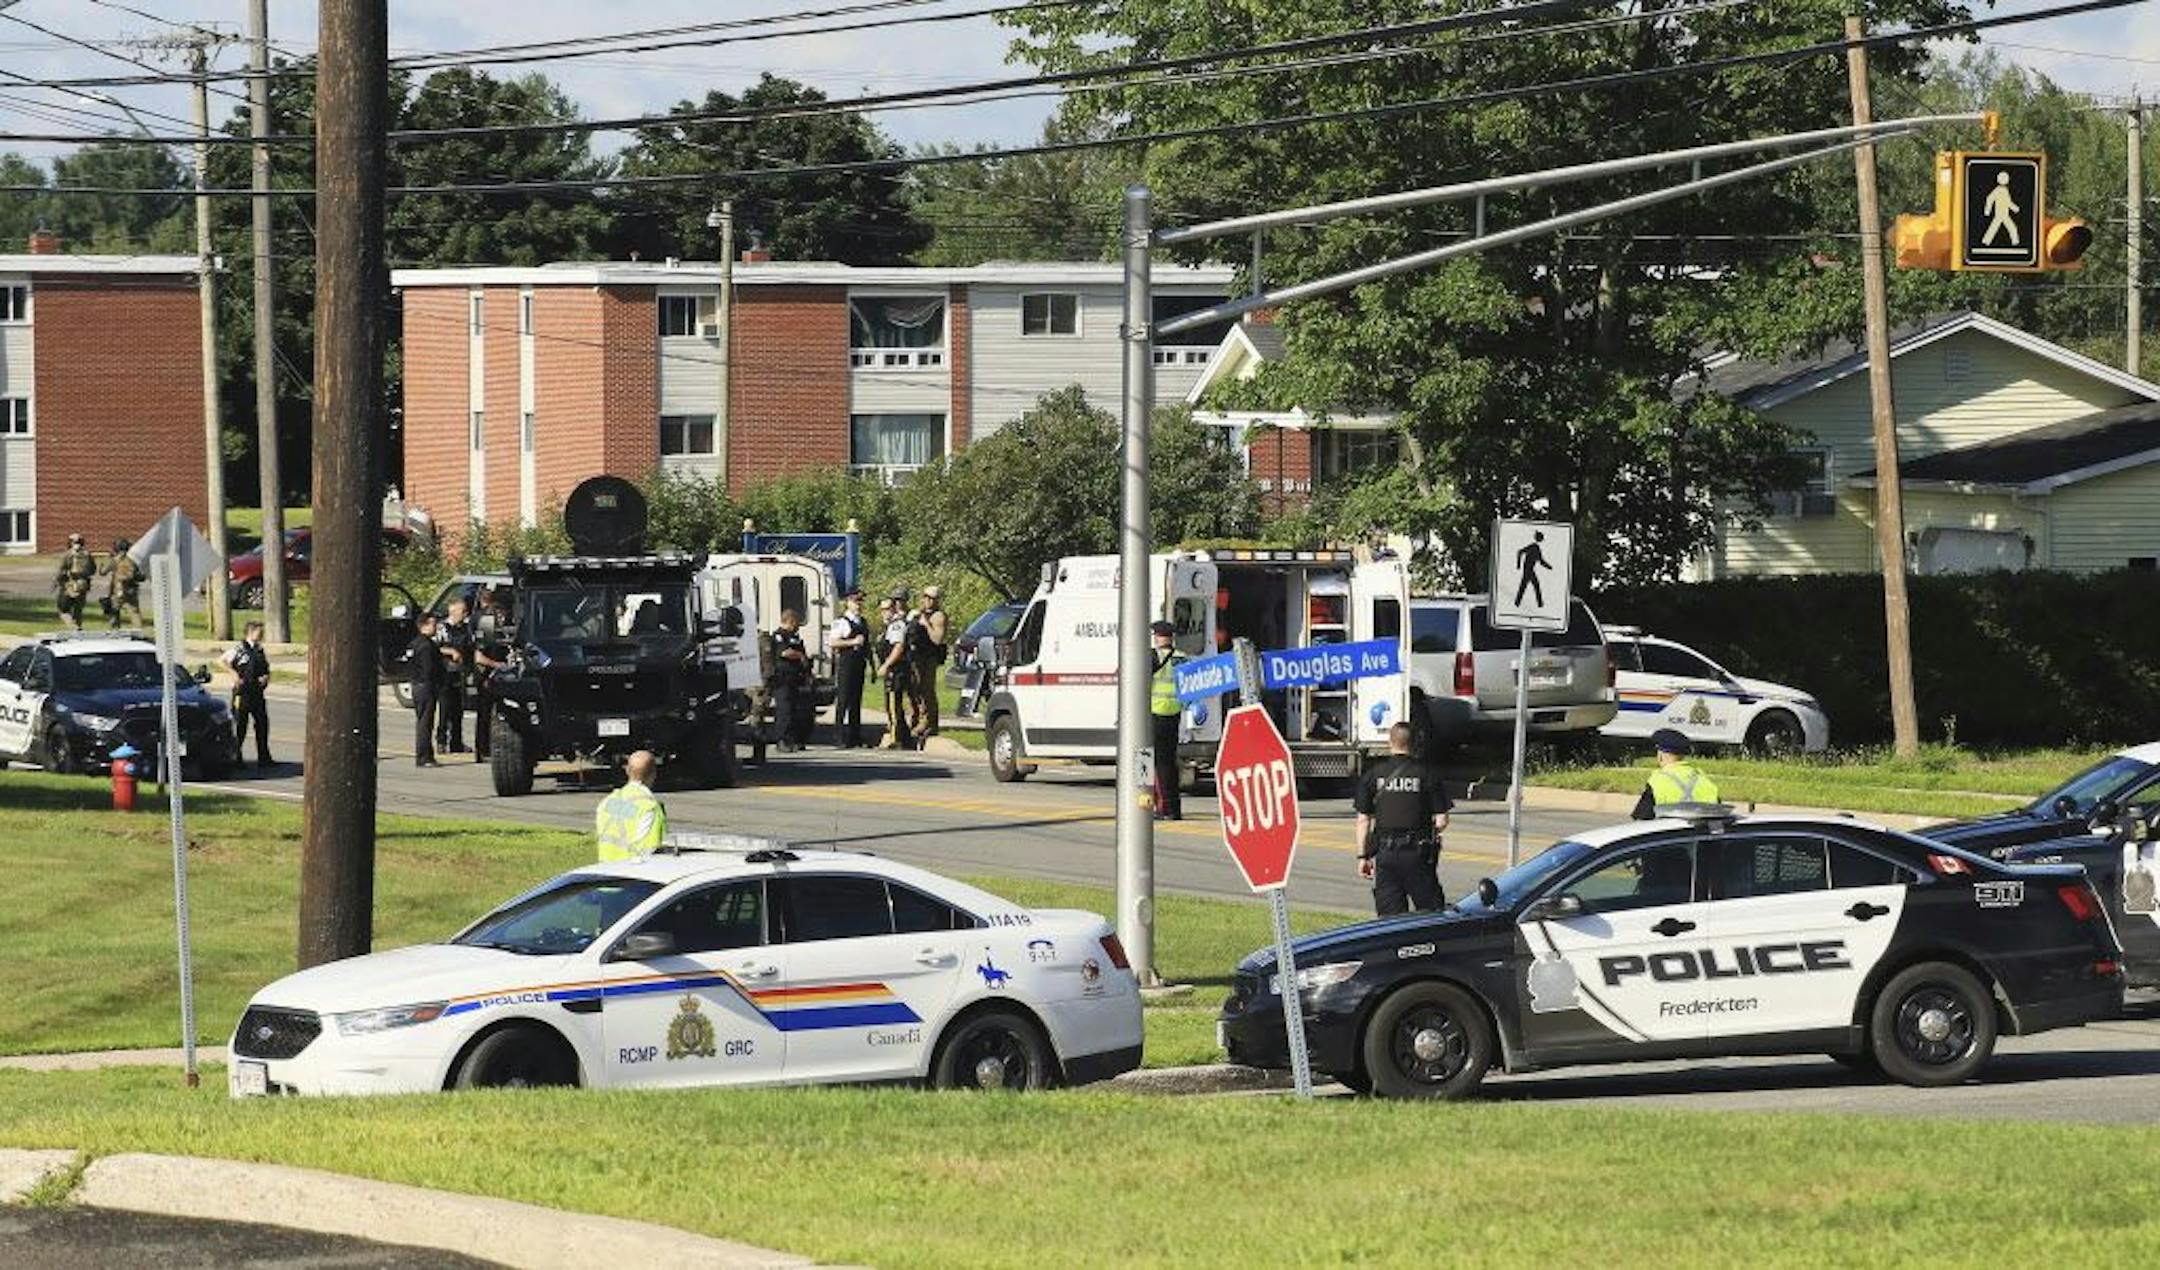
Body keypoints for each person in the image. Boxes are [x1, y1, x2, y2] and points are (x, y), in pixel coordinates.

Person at [1355, 721, 1453, 916]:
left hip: (1385, 854)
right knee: (1431, 916)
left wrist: (1363, 856)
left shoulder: (1373, 775)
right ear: (1414, 744)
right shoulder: (1427, 774)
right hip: (1418, 854)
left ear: (1390, 742)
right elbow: (1442, 820)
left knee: (1390, 921)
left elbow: (1363, 820)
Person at [1631, 728, 1721, 820]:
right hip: (1699, 834)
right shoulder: (1704, 780)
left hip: (1670, 833)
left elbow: (1641, 821)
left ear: (1660, 756)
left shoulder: (1657, 782)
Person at [595, 750, 668, 862]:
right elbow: (650, 850)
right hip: (632, 873)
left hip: (606, 870)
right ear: (654, 774)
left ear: (627, 771)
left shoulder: (607, 802)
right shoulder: (649, 808)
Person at [1149, 620, 1187, 821]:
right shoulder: (1182, 658)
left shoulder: (1152, 656)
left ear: (1157, 636)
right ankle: (1173, 807)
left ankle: (1162, 806)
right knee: (1169, 763)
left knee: (1156, 763)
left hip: (1154, 714)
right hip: (1175, 714)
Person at [223, 620, 275, 767]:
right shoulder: (239, 649)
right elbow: (221, 661)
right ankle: (235, 758)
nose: (262, 634)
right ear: (251, 632)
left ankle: (264, 758)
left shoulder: (259, 650)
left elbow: (265, 669)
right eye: (260, 632)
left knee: (262, 724)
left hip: (257, 693)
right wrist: (233, 673)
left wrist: (266, 677)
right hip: (242, 693)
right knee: (240, 725)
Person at [471, 587, 511, 762]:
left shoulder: (502, 628)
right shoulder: (486, 626)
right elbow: (479, 657)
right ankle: (483, 750)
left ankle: (494, 747)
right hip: (486, 676)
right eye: (499, 615)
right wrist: (498, 665)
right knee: (485, 714)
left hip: (499, 674)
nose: (503, 618)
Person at [907, 584, 949, 745]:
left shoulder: (938, 616)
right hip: (916, 656)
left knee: (926, 689)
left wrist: (927, 624)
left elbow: (937, 639)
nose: (928, 601)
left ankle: (930, 721)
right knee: (915, 688)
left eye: (932, 598)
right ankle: (917, 717)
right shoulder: (918, 614)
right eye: (926, 597)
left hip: (928, 658)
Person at [828, 589, 870, 748]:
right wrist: (852, 642)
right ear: (848, 602)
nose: (858, 604)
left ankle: (855, 735)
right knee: (843, 700)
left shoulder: (862, 621)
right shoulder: (842, 622)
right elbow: (833, 642)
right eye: (855, 601)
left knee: (856, 701)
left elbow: (867, 645)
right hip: (847, 663)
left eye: (860, 601)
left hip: (859, 663)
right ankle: (838, 735)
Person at [878, 590, 916, 750]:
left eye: (887, 609)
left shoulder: (896, 626)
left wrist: (886, 665)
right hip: (895, 669)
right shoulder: (890, 626)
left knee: (894, 705)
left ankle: (897, 738)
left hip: (896, 670)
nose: (884, 613)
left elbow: (898, 647)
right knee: (893, 704)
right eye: (882, 610)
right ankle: (904, 736)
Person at [769, 609, 812, 752]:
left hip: (795, 677)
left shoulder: (795, 636)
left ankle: (793, 740)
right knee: (784, 710)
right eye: (796, 623)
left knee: (794, 711)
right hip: (782, 678)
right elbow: (785, 652)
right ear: (790, 621)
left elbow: (802, 652)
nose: (798, 626)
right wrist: (800, 656)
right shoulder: (779, 635)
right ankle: (781, 740)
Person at [409, 611, 448, 768]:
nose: (436, 627)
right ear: (423, 626)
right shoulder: (426, 646)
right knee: (425, 722)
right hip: (425, 687)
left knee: (423, 721)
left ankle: (427, 755)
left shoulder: (415, 643)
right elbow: (429, 669)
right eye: (433, 624)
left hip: (417, 685)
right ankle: (423, 756)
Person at [435, 598, 473, 755]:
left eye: (465, 611)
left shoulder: (465, 628)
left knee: (458, 710)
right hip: (445, 673)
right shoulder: (442, 628)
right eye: (462, 611)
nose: (465, 614)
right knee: (445, 708)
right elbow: (433, 647)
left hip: (460, 672)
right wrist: (450, 651)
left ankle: (456, 742)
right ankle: (441, 741)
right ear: (453, 612)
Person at [53, 534, 95, 630]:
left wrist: (58, 581)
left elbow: (62, 569)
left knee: (63, 609)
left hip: (71, 584)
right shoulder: (88, 554)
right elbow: (93, 569)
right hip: (84, 584)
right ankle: (79, 628)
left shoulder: (68, 554)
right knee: (78, 609)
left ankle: (73, 627)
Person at [100, 538, 143, 629]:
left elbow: (103, 572)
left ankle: (115, 630)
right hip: (131, 589)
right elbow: (140, 576)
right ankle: (138, 630)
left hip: (118, 590)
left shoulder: (115, 560)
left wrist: (105, 561)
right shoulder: (133, 560)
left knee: (113, 610)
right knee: (134, 611)